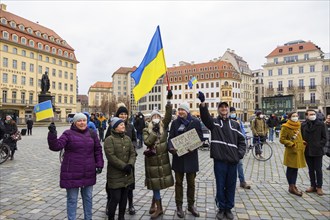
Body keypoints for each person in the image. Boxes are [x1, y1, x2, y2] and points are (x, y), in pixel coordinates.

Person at [198, 92, 246, 220]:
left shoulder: (235, 125)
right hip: (220, 161)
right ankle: (221, 208)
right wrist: (203, 104)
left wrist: (239, 155)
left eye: (226, 107)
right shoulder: (214, 123)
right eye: (221, 107)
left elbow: (242, 142)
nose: (224, 109)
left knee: (231, 185)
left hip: (232, 161)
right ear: (218, 110)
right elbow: (205, 118)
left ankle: (228, 208)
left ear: (228, 110)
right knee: (220, 185)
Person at [47, 113, 104, 220]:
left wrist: (99, 164)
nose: (82, 123)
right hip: (72, 172)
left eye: (84, 120)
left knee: (88, 198)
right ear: (74, 122)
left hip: (88, 171)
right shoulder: (68, 134)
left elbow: (98, 150)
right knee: (72, 199)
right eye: (79, 121)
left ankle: (88, 218)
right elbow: (56, 146)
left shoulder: (92, 133)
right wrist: (52, 133)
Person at [168, 101, 203, 218]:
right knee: (178, 183)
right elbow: (170, 138)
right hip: (178, 157)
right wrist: (171, 148)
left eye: (183, 110)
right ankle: (179, 206)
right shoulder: (175, 123)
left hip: (191, 157)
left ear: (187, 111)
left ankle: (191, 205)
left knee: (191, 184)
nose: (181, 111)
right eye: (179, 110)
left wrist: (194, 146)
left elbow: (200, 139)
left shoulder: (196, 122)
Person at [143, 90, 174, 219]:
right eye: (154, 117)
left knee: (159, 184)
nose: (156, 119)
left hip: (163, 160)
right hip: (152, 161)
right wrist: (154, 132)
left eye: (158, 117)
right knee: (155, 184)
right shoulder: (146, 129)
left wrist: (168, 101)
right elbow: (147, 142)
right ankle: (159, 208)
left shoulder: (164, 126)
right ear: (150, 119)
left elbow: (168, 115)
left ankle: (154, 204)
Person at [105, 104, 138, 216]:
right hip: (116, 170)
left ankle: (127, 208)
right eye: (121, 114)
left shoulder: (129, 131)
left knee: (127, 192)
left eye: (125, 114)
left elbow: (133, 145)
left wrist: (130, 163)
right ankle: (110, 210)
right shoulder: (110, 136)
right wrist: (123, 166)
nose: (123, 116)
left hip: (128, 168)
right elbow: (110, 154)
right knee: (115, 195)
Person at [279, 112, 306, 196]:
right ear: (289, 117)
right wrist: (292, 144)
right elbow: (282, 139)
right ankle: (291, 186)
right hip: (291, 150)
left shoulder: (298, 125)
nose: (295, 117)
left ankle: (293, 185)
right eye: (293, 116)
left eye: (296, 116)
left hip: (298, 150)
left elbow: (299, 136)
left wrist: (302, 142)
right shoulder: (285, 126)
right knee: (291, 168)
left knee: (296, 168)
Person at [301, 109, 326, 196]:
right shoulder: (303, 125)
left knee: (318, 169)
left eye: (313, 114)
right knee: (311, 169)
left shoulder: (321, 124)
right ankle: (313, 185)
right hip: (307, 150)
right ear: (306, 116)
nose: (312, 115)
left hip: (318, 150)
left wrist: (319, 145)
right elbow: (301, 137)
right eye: (310, 114)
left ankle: (319, 187)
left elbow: (324, 137)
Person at [229, 107, 251, 189]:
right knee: (230, 166)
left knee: (240, 164)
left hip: (238, 145)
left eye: (234, 111)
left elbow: (242, 132)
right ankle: (230, 183)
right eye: (231, 112)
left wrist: (244, 140)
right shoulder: (227, 120)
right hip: (230, 145)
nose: (233, 113)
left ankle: (242, 181)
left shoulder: (239, 120)